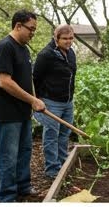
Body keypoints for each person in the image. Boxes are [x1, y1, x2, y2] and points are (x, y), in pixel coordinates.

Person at [0, 10, 46, 203]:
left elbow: (26, 79)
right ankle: (6, 196)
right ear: (18, 26)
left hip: (23, 111)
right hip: (8, 113)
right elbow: (4, 82)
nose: (33, 33)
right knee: (8, 155)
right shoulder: (5, 47)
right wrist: (32, 100)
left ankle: (23, 186)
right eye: (31, 29)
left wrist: (34, 99)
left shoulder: (23, 48)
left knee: (25, 151)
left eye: (35, 29)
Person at [32, 24, 77, 182]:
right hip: (51, 101)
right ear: (56, 38)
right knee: (51, 135)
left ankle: (63, 163)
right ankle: (52, 169)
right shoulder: (46, 55)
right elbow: (35, 78)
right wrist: (38, 99)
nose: (68, 41)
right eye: (65, 38)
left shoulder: (71, 53)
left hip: (67, 101)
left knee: (64, 133)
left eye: (71, 38)